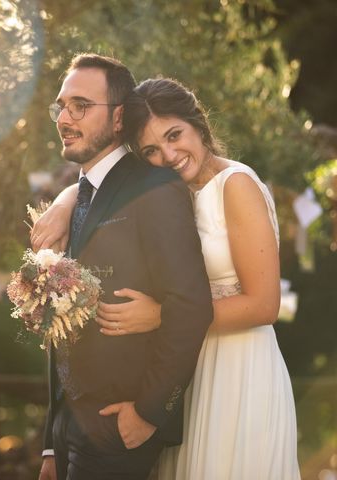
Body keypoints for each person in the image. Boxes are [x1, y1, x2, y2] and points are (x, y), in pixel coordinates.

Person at [32, 78, 301, 479]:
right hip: (183, 373)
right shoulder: (165, 195)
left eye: (176, 135)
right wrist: (66, 199)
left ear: (199, 125)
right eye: (151, 151)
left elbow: (264, 305)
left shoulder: (236, 185)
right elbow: (101, 179)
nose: (170, 155)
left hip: (237, 369)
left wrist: (163, 316)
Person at [36, 55, 214, 480]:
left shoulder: (156, 187)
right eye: (61, 106)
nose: (65, 117)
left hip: (120, 425)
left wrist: (150, 413)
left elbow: (191, 305)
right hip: (66, 426)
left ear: (118, 119)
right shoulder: (74, 197)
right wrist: (50, 439)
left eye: (81, 106)